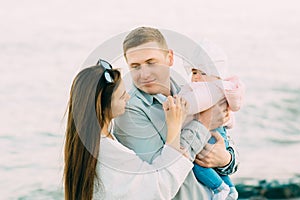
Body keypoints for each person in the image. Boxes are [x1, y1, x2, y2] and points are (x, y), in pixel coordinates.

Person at [114, 26, 239, 199]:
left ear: (169, 58)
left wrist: (225, 160)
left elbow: (229, 150)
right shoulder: (130, 110)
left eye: (151, 62)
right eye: (135, 66)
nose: (144, 74)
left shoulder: (190, 93)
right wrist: (204, 122)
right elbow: (161, 173)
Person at [63, 60, 197, 200]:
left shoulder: (89, 143)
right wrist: (174, 128)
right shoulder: (108, 152)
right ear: (102, 107)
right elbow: (157, 190)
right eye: (121, 96)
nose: (128, 97)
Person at [178, 68, 245, 199]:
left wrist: (226, 159)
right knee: (206, 162)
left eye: (202, 73)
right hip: (219, 134)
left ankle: (220, 188)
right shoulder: (218, 92)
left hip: (210, 137)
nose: (196, 77)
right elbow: (229, 120)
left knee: (199, 162)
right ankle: (230, 189)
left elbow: (190, 106)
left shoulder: (200, 92)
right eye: (194, 73)